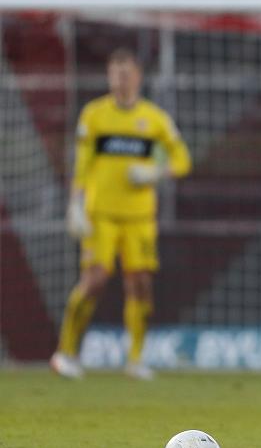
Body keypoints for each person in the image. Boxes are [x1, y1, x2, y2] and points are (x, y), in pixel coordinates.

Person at [49, 48, 191, 380]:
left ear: (138, 76)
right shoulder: (94, 115)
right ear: (109, 77)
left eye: (126, 73)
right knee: (95, 279)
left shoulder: (155, 119)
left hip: (139, 216)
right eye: (114, 73)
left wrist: (155, 173)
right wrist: (76, 204)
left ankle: (135, 360)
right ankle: (65, 353)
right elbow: (82, 165)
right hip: (101, 215)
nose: (120, 79)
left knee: (140, 284)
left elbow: (182, 159)